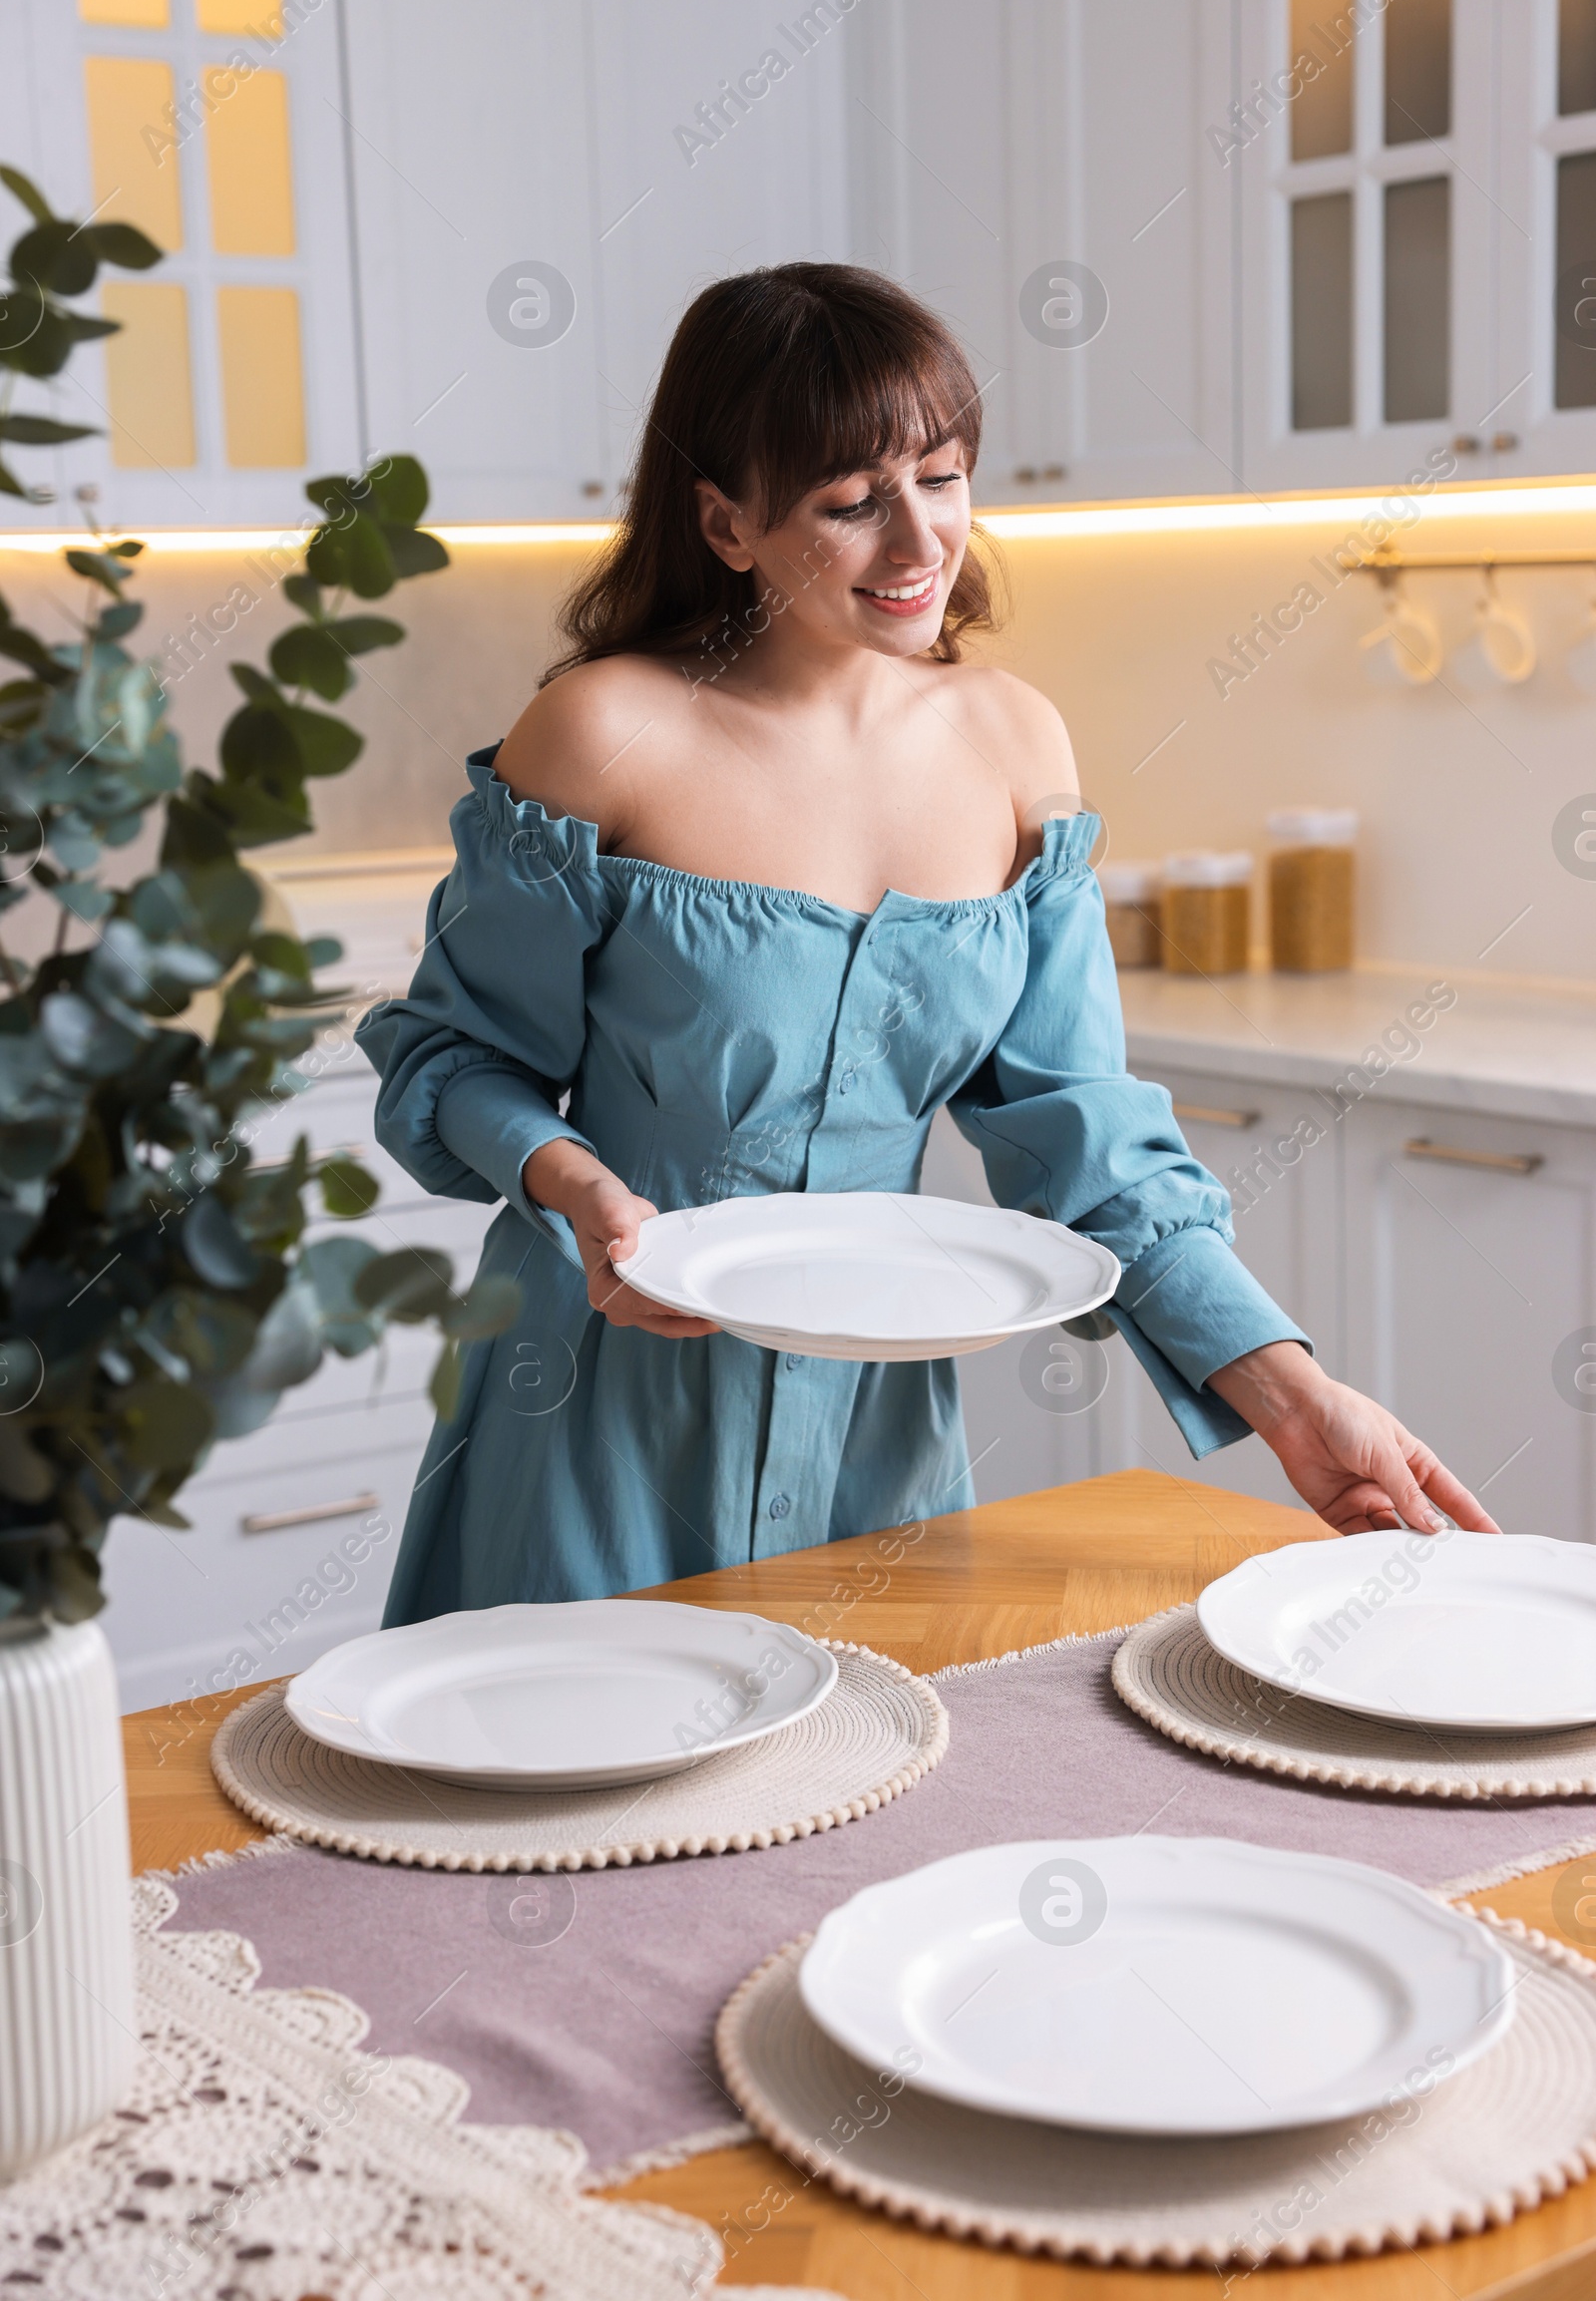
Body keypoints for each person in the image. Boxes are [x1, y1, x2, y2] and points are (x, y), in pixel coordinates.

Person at [359, 262, 1495, 1626]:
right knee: (574, 1818)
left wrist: (1297, 1396)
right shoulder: (602, 735)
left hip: (877, 1432)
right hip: (599, 1398)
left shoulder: (1016, 745)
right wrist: (579, 1189)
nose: (919, 545)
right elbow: (452, 1062)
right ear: (727, 521)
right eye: (850, 502)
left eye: (943, 477)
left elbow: (1083, 1135)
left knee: (861, 1807)